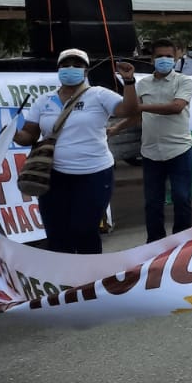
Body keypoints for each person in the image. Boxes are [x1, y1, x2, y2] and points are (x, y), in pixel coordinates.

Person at [17, 48, 140, 254]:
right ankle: (65, 283)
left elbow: (130, 110)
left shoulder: (99, 95)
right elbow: (29, 135)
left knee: (84, 230)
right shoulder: (43, 100)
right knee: (57, 234)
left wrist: (128, 82)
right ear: (58, 70)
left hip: (94, 175)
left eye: (77, 65)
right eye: (65, 65)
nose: (70, 69)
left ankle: (90, 282)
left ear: (85, 70)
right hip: (53, 176)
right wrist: (12, 133)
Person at [132, 38, 192, 242]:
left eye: (169, 56)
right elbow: (135, 115)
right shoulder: (142, 84)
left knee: (181, 198)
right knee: (152, 202)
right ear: (152, 58)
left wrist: (140, 107)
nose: (164, 60)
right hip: (150, 151)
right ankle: (155, 243)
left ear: (176, 56)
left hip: (179, 149)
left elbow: (176, 107)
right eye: (160, 56)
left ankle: (182, 242)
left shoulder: (184, 81)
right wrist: (115, 128)